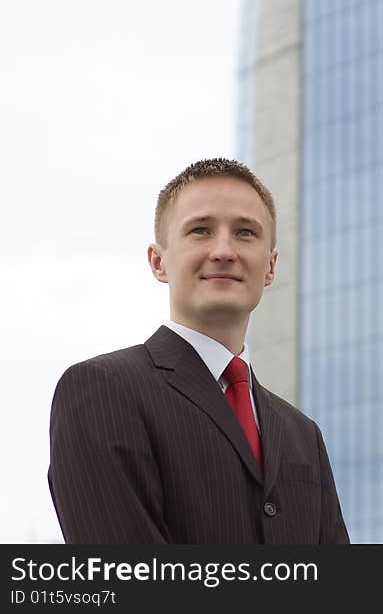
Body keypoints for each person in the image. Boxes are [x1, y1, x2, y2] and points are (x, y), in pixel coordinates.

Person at [48, 158, 349, 543]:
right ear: (159, 262)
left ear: (270, 266)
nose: (223, 250)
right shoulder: (101, 390)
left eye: (245, 233)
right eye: (201, 230)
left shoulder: (303, 435)